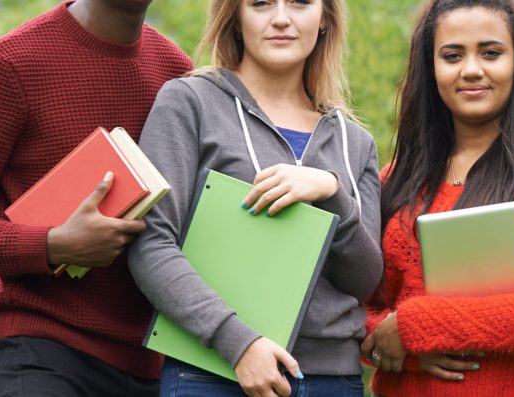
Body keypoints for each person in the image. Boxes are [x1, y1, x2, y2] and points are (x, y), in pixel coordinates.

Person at [0, 0, 191, 395]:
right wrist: (55, 243)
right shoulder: (7, 64)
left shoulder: (175, 71)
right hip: (43, 350)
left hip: (153, 363)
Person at [125, 0, 381, 396]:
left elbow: (364, 280)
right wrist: (237, 342)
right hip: (212, 373)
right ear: (236, 18)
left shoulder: (356, 142)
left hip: (334, 381)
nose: (281, 17)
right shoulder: (190, 102)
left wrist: (332, 193)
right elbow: (150, 244)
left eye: (299, 3)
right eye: (260, 3)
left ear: (325, 18)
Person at [360, 0, 514, 395]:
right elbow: (360, 310)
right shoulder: (393, 179)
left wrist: (414, 327)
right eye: (452, 55)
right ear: (430, 67)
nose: (471, 69)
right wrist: (411, 347)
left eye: (491, 53)